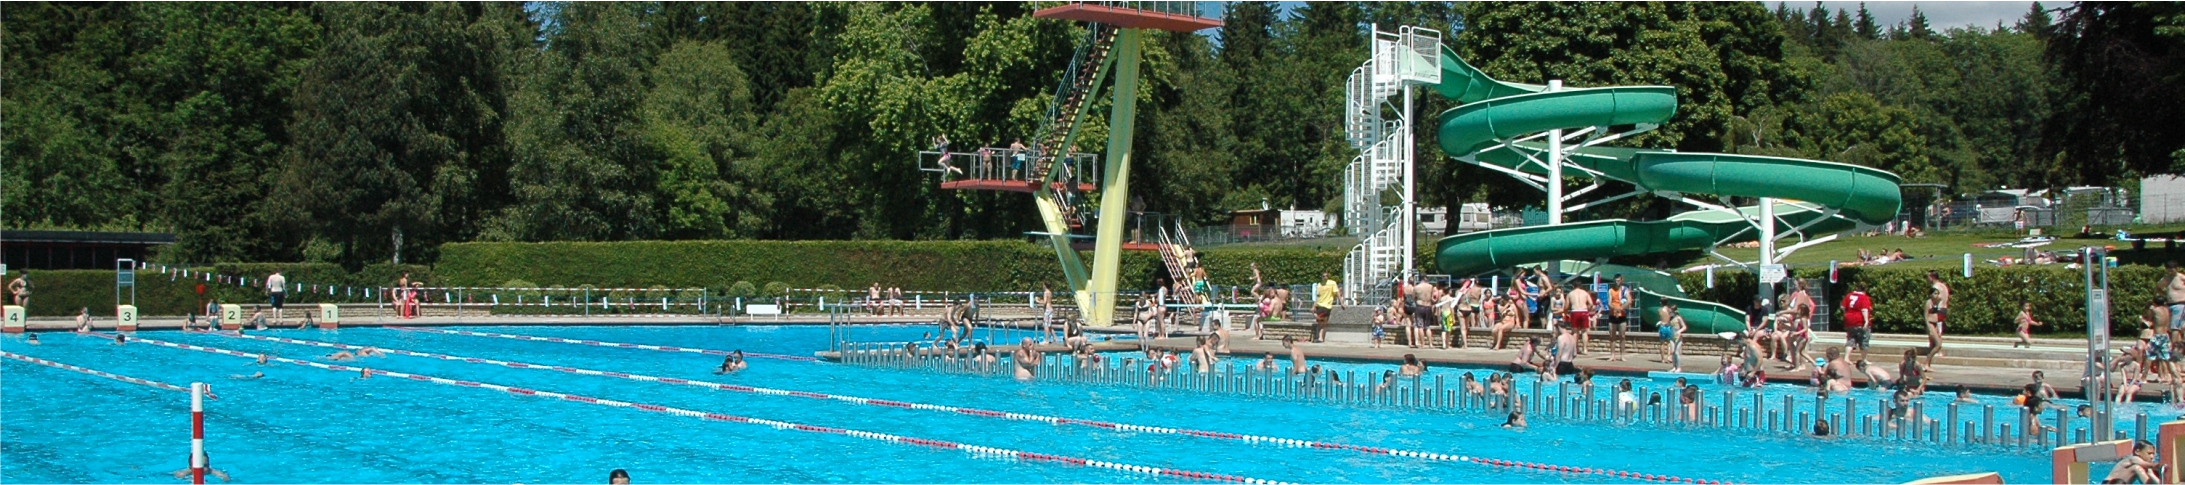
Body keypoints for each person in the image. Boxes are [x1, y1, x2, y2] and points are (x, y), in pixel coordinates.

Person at [1841, 283, 1874, 363]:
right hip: (1860, 321)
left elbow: (1843, 307)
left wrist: (1847, 314)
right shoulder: (1864, 297)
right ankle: (1864, 359)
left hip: (1849, 321)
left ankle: (1846, 358)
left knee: (1851, 338)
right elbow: (1864, 309)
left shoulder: (1849, 296)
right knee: (1864, 339)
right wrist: (1866, 321)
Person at [1925, 270, 1951, 364]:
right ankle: (1936, 349)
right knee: (1938, 329)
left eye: (1928, 277)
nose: (1927, 279)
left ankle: (1937, 350)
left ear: (1932, 277)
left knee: (1934, 331)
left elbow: (1936, 299)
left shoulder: (1935, 287)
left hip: (1938, 310)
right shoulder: (1943, 286)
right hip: (1944, 309)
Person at [1563, 282, 1595, 356]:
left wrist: (1566, 313)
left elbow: (1566, 306)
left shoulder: (1570, 294)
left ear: (1573, 285)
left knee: (1575, 332)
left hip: (1575, 311)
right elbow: (1591, 304)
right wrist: (1588, 310)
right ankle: (1585, 349)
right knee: (1584, 332)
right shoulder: (1585, 293)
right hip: (1584, 311)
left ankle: (1575, 349)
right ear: (1581, 286)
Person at [1605, 275, 1630, 361]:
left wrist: (1621, 308)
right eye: (1615, 280)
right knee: (1612, 336)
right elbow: (1609, 303)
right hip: (1613, 315)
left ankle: (1622, 355)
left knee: (1622, 336)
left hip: (1622, 315)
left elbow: (1629, 301)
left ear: (1621, 280)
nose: (1617, 282)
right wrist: (1615, 309)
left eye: (1618, 280)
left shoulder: (1625, 290)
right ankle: (1612, 355)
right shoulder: (1611, 290)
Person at [1658, 301, 1686, 372]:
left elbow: (1684, 327)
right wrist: (1661, 323)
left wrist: (1679, 331)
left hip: (1678, 337)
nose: (1670, 313)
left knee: (1676, 352)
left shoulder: (1678, 318)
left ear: (1674, 311)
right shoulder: (1671, 319)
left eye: (1671, 312)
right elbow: (1667, 324)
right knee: (1672, 352)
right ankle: (1674, 366)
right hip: (1672, 337)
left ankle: (1679, 367)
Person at [1314, 273, 1338, 343]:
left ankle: (1320, 338)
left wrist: (1341, 302)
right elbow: (1318, 297)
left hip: (1326, 305)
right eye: (1323, 276)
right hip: (1320, 304)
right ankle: (1320, 338)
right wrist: (1314, 305)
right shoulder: (1319, 285)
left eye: (1326, 276)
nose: (1325, 277)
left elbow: (1337, 293)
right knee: (1322, 323)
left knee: (1319, 319)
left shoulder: (1332, 283)